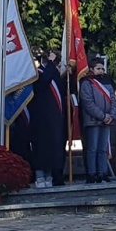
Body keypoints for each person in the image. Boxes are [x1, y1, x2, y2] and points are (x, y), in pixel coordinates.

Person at [29, 51, 68, 188]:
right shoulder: (37, 73)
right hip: (40, 117)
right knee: (41, 147)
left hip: (55, 117)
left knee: (55, 147)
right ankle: (40, 177)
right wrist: (51, 63)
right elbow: (44, 82)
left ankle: (53, 176)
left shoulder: (54, 74)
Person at [77, 64, 114, 183]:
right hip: (93, 121)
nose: (101, 71)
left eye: (103, 69)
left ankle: (102, 173)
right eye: (98, 68)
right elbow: (88, 103)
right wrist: (102, 116)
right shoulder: (87, 83)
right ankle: (92, 174)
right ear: (92, 69)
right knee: (92, 148)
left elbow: (113, 99)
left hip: (107, 120)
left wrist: (111, 116)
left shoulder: (107, 82)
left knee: (103, 149)